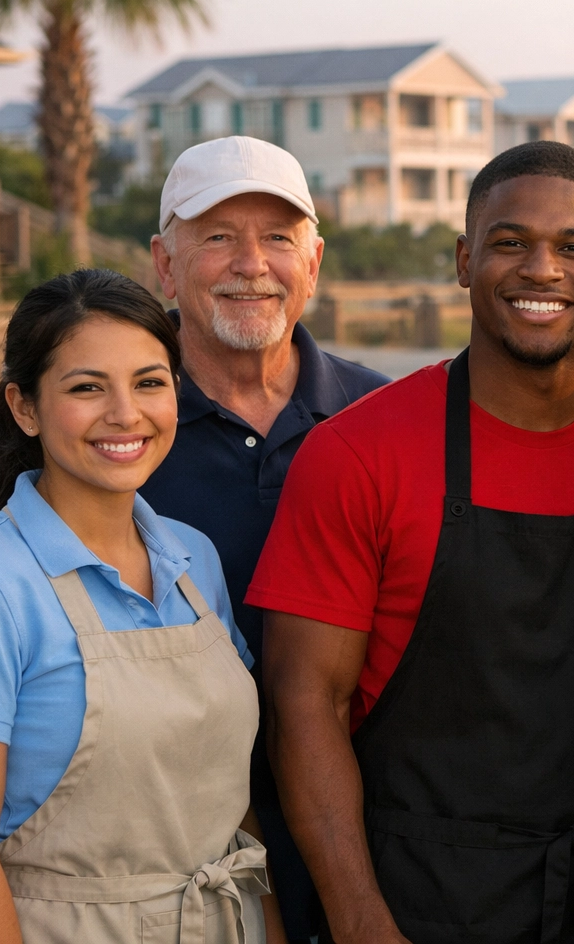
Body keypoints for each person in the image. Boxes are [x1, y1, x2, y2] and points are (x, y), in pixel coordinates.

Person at [247, 140, 574, 944]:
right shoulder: (359, 454)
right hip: (414, 901)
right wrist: (361, 923)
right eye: (510, 242)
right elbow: (303, 705)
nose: (543, 269)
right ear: (465, 259)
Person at [0, 269, 277, 944]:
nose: (125, 414)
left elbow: (233, 804)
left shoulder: (194, 560)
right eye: (86, 388)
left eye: (149, 383)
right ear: (25, 407)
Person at [142, 135, 389, 942]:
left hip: (370, 837)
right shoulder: (115, 431)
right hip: (174, 851)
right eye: (217, 236)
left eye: (278, 237)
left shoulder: (381, 418)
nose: (251, 263)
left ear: (313, 262)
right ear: (165, 265)